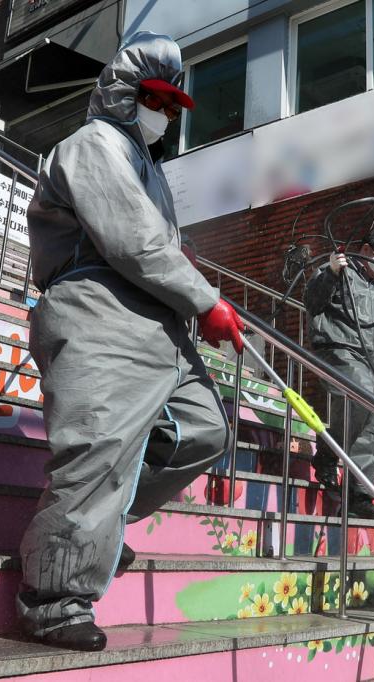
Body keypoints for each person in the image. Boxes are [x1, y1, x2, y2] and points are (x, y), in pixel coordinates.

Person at [18, 32, 245, 651]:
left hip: (157, 323)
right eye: (155, 99)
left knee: (203, 431)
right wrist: (204, 300)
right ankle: (55, 599)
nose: (164, 114)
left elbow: (158, 245)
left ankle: (100, 531)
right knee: (99, 450)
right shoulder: (93, 144)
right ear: (123, 92)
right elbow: (133, 241)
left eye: (173, 105)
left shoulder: (149, 165)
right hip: (98, 309)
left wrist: (190, 288)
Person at [304, 228, 374, 520]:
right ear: (366, 249)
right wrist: (332, 272)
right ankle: (327, 453)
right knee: (361, 399)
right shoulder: (337, 270)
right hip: (337, 351)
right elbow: (313, 303)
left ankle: (358, 493)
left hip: (368, 362)